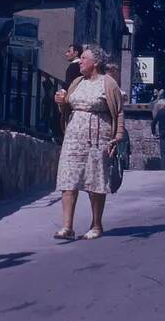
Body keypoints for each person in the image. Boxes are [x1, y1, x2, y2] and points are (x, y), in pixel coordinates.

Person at [53, 45, 125, 240]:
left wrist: (117, 137)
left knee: (95, 181)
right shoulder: (77, 82)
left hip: (98, 138)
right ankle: (67, 227)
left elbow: (118, 111)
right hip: (73, 137)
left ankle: (96, 225)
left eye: (84, 58)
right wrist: (61, 102)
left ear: (96, 63)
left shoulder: (108, 84)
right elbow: (67, 106)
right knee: (69, 178)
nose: (81, 61)